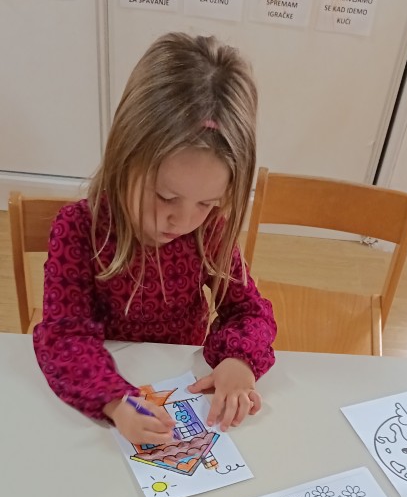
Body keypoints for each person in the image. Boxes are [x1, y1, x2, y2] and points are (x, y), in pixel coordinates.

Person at [33, 33, 276, 446]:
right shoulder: (79, 230)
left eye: (207, 203)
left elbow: (247, 311)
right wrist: (114, 401)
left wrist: (238, 360)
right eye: (165, 197)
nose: (183, 220)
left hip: (180, 384)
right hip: (108, 391)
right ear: (124, 159)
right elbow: (64, 336)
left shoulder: (209, 230)